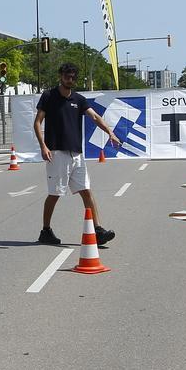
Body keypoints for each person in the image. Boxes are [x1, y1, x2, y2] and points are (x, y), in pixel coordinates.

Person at [33, 62, 120, 246]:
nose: (70, 80)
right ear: (60, 76)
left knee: (86, 191)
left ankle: (97, 230)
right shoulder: (49, 96)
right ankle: (46, 231)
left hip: (76, 154)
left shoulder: (79, 99)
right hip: (56, 153)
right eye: (67, 76)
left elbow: (95, 117)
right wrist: (43, 146)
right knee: (55, 194)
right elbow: (37, 122)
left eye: (73, 77)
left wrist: (110, 133)